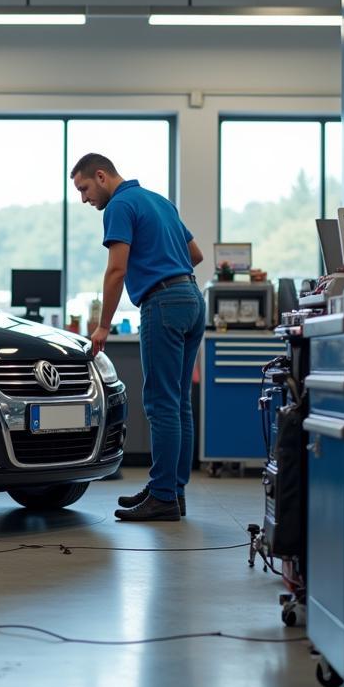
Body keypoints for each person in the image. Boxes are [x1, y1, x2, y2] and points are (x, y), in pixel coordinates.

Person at [70, 153, 205, 522]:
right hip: (192, 298)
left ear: (101, 176)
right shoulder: (159, 201)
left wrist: (102, 326)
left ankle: (162, 496)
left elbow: (116, 270)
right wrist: (166, 268)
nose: (84, 199)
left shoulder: (120, 205)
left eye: (84, 189)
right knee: (178, 404)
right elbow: (195, 254)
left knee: (161, 404)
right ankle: (172, 493)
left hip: (162, 304)